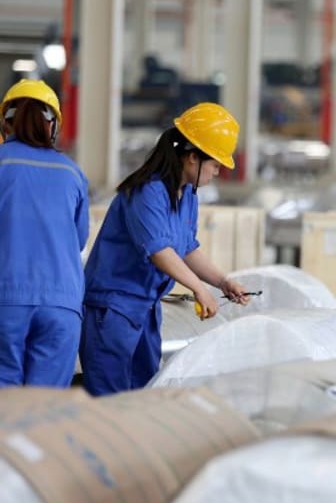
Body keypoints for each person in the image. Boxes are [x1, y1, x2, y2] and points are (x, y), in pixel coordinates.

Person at [80, 102, 250, 395]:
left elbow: (185, 249)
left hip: (145, 309)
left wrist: (222, 282)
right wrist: (198, 289)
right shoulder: (148, 191)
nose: (218, 172)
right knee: (110, 400)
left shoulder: (187, 196)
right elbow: (159, 250)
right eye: (215, 164)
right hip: (114, 309)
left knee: (144, 394)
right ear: (192, 157)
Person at [0, 79, 89, 387]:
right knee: (44, 408)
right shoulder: (72, 172)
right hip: (61, 303)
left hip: (5, 301)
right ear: (52, 126)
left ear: (5, 123)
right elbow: (77, 240)